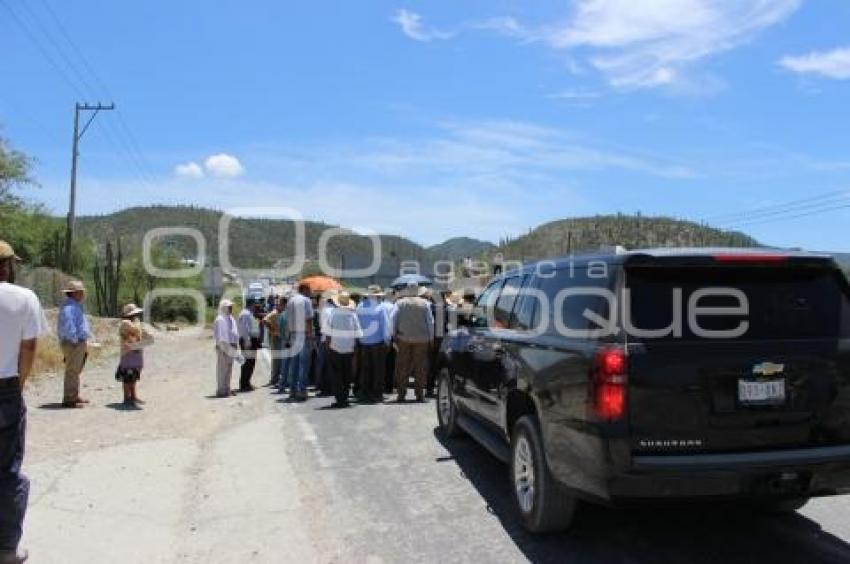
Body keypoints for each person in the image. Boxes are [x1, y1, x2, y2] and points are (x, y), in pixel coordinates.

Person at [0, 240, 47, 564]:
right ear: (7, 266)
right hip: (5, 390)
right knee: (7, 471)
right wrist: (19, 384)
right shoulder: (23, 298)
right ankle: (6, 548)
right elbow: (28, 349)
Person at [391, 282, 434, 402]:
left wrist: (393, 335)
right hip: (422, 339)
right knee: (420, 367)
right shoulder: (426, 304)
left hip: (403, 338)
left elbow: (393, 320)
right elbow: (430, 322)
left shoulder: (399, 303)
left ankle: (401, 394)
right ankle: (419, 395)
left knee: (402, 366)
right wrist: (431, 339)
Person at [57, 280, 92, 408]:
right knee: (72, 370)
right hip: (73, 343)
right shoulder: (69, 307)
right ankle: (69, 398)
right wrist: (75, 340)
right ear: (75, 293)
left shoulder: (73, 306)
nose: (83, 294)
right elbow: (68, 326)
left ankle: (74, 395)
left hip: (77, 342)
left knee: (75, 370)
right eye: (81, 292)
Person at [326, 292, 362, 408]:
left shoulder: (333, 314)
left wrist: (328, 347)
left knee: (337, 376)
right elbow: (358, 334)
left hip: (335, 348)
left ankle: (340, 399)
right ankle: (345, 398)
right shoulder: (353, 315)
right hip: (349, 349)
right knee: (347, 375)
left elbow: (327, 333)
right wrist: (356, 350)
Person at [356, 285, 390, 402]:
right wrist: (387, 341)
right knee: (378, 370)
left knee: (365, 369)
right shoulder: (380, 307)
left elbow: (357, 323)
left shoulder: (360, 306)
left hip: (364, 341)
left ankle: (364, 392)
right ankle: (377, 394)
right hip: (378, 342)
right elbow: (385, 326)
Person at [116, 303, 153, 408]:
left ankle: (133, 396)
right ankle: (126, 398)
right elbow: (136, 331)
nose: (136, 315)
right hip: (128, 354)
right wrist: (141, 328)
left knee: (134, 376)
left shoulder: (136, 323)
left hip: (136, 353)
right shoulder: (125, 323)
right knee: (127, 376)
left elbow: (147, 335)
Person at [284, 283, 314, 401]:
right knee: (304, 364)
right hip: (303, 333)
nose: (310, 292)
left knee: (294, 363)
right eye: (309, 290)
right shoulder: (306, 300)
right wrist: (310, 334)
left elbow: (286, 319)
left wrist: (288, 336)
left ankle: (292, 390)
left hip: (293, 334)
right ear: (304, 290)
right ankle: (302, 390)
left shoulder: (290, 301)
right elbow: (309, 318)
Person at [213, 299, 239, 398]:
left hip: (231, 345)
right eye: (229, 306)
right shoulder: (220, 319)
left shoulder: (230, 317)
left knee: (229, 368)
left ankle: (227, 388)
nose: (231, 308)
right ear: (224, 307)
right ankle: (221, 390)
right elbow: (220, 336)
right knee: (222, 369)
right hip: (224, 346)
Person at [237, 302, 263, 392]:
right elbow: (245, 329)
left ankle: (247, 382)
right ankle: (244, 385)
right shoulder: (246, 314)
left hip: (250, 340)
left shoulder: (248, 313)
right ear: (250, 305)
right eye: (254, 306)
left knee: (250, 363)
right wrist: (247, 341)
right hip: (248, 341)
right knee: (248, 363)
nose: (255, 308)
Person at [377, 289, 397, 394]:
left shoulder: (380, 306)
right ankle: (388, 387)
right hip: (389, 338)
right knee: (390, 365)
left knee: (380, 364)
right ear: (392, 296)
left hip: (378, 338)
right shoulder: (393, 307)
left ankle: (380, 386)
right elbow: (392, 324)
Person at [263, 297, 286, 387]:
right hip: (276, 338)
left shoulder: (282, 313)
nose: (282, 306)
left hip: (281, 338)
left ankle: (279, 378)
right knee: (276, 360)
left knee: (281, 359)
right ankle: (274, 379)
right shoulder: (274, 313)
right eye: (281, 305)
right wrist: (272, 329)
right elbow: (265, 320)